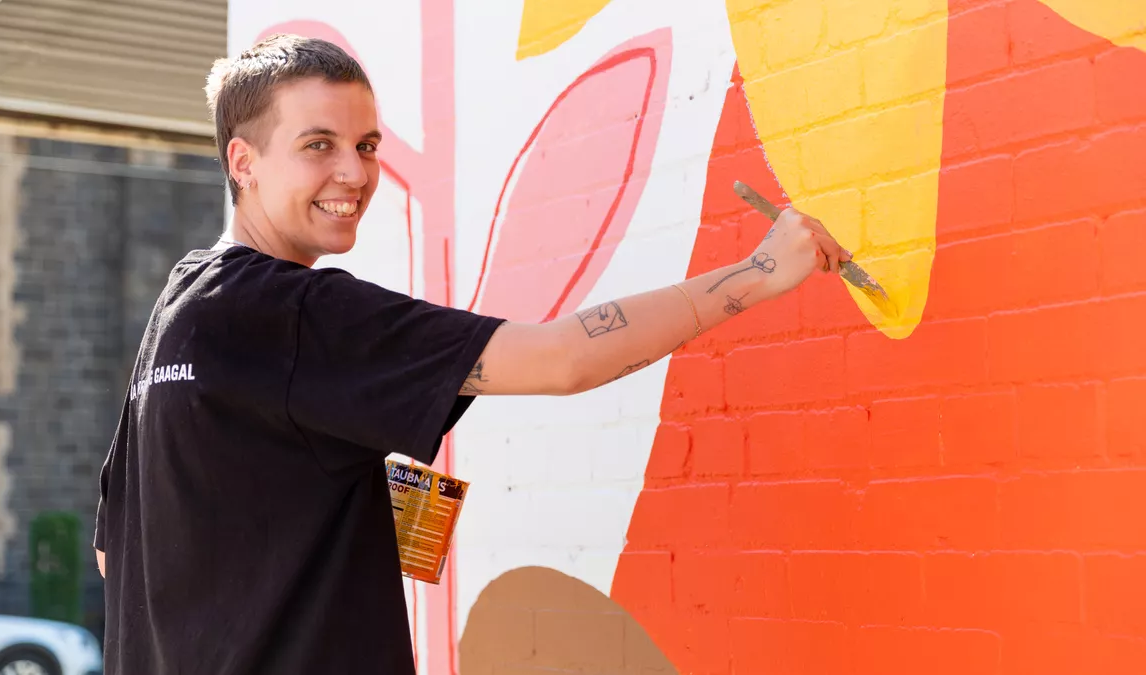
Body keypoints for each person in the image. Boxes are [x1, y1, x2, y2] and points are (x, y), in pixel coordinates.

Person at [92, 33, 851, 674]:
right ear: (244, 161)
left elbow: (112, 551)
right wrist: (758, 273)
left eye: (365, 145)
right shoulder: (298, 312)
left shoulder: (181, 307)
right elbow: (562, 359)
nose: (354, 173)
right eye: (317, 145)